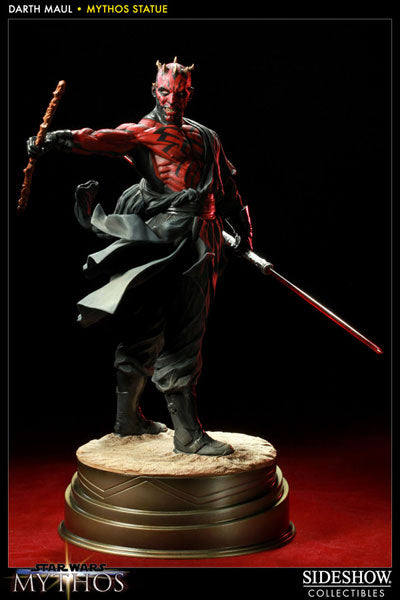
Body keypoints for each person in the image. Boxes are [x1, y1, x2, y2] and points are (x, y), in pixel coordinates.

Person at [27, 58, 254, 456]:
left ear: (189, 94)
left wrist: (245, 231)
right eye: (165, 92)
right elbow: (101, 138)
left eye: (180, 93)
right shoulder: (144, 131)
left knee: (170, 325)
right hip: (168, 238)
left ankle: (127, 421)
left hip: (204, 238)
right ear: (154, 90)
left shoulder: (206, 135)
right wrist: (58, 139)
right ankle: (186, 435)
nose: (172, 100)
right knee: (172, 329)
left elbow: (226, 187)